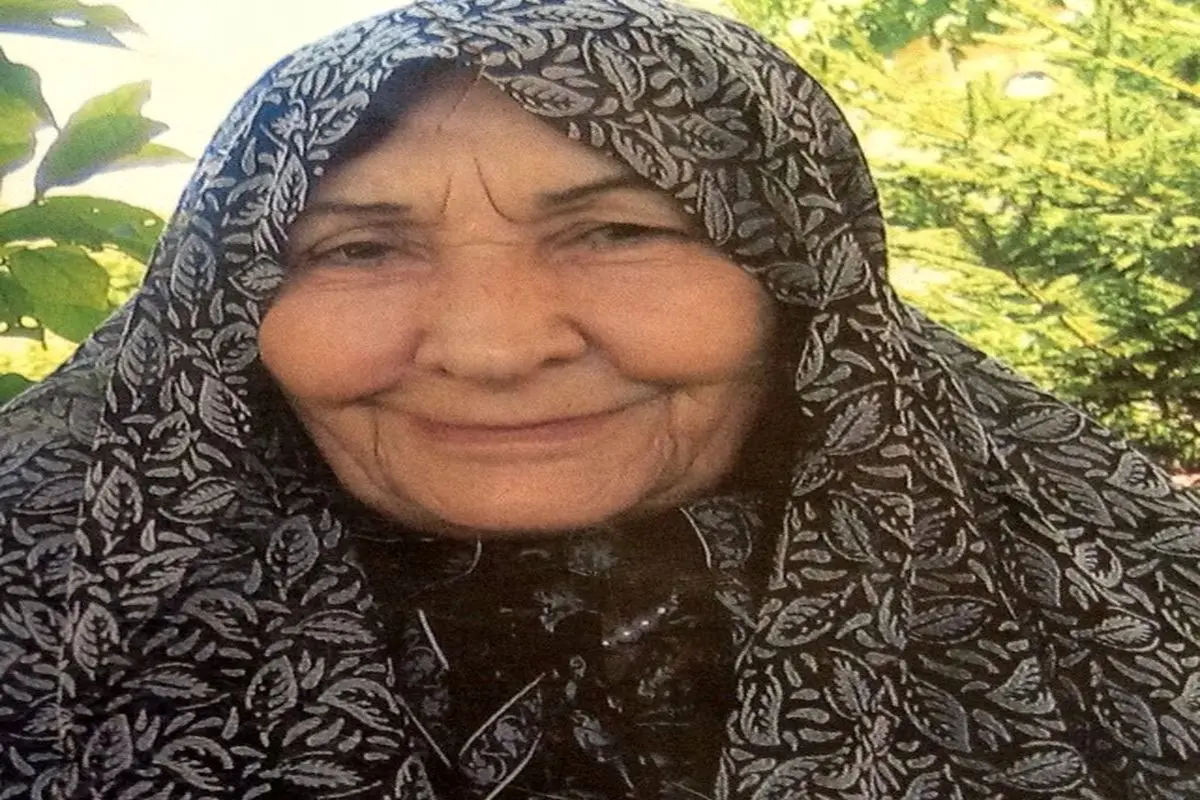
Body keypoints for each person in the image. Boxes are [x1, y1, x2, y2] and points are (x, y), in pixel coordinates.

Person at [1, 0, 1198, 797]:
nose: (494, 347)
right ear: (224, 318)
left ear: (801, 285)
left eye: (619, 231)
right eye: (359, 248)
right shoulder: (38, 605)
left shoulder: (1131, 599)